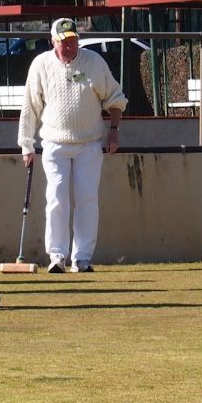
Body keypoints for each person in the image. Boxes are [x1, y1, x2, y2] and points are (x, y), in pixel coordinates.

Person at [18, 18, 128, 273]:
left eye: (72, 41)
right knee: (56, 197)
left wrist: (113, 131)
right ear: (52, 42)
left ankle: (83, 257)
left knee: (87, 199)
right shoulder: (41, 65)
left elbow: (115, 98)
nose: (69, 46)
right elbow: (30, 106)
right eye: (63, 42)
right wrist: (26, 144)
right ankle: (57, 256)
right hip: (54, 143)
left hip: (89, 143)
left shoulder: (94, 62)